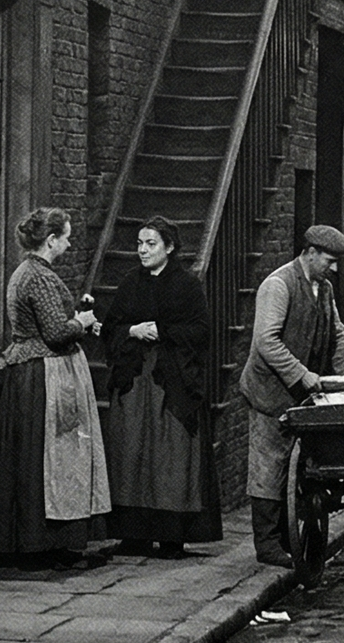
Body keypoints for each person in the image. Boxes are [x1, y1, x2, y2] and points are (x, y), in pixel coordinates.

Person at [0, 208, 111, 569]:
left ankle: (39, 542)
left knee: (38, 459)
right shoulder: (38, 276)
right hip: (44, 376)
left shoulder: (28, 272)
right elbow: (55, 333)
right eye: (66, 237)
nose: (69, 243)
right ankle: (46, 544)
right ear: (51, 240)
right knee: (52, 459)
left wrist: (76, 314)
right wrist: (81, 321)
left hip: (32, 374)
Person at [99, 216, 222, 557]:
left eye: (150, 244)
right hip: (135, 382)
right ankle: (133, 533)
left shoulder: (187, 285)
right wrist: (132, 331)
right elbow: (111, 328)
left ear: (169, 247)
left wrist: (163, 330)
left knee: (171, 457)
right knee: (131, 452)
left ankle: (171, 535)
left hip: (172, 384)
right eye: (139, 243)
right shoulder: (129, 283)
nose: (142, 250)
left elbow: (200, 332)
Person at [237, 225, 344, 568]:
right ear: (311, 252)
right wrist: (303, 375)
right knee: (268, 466)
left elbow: (335, 331)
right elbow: (267, 342)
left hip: (302, 395)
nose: (333, 268)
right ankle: (268, 545)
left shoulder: (325, 288)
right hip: (270, 392)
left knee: (296, 467)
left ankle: (290, 537)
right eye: (330, 260)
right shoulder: (278, 285)